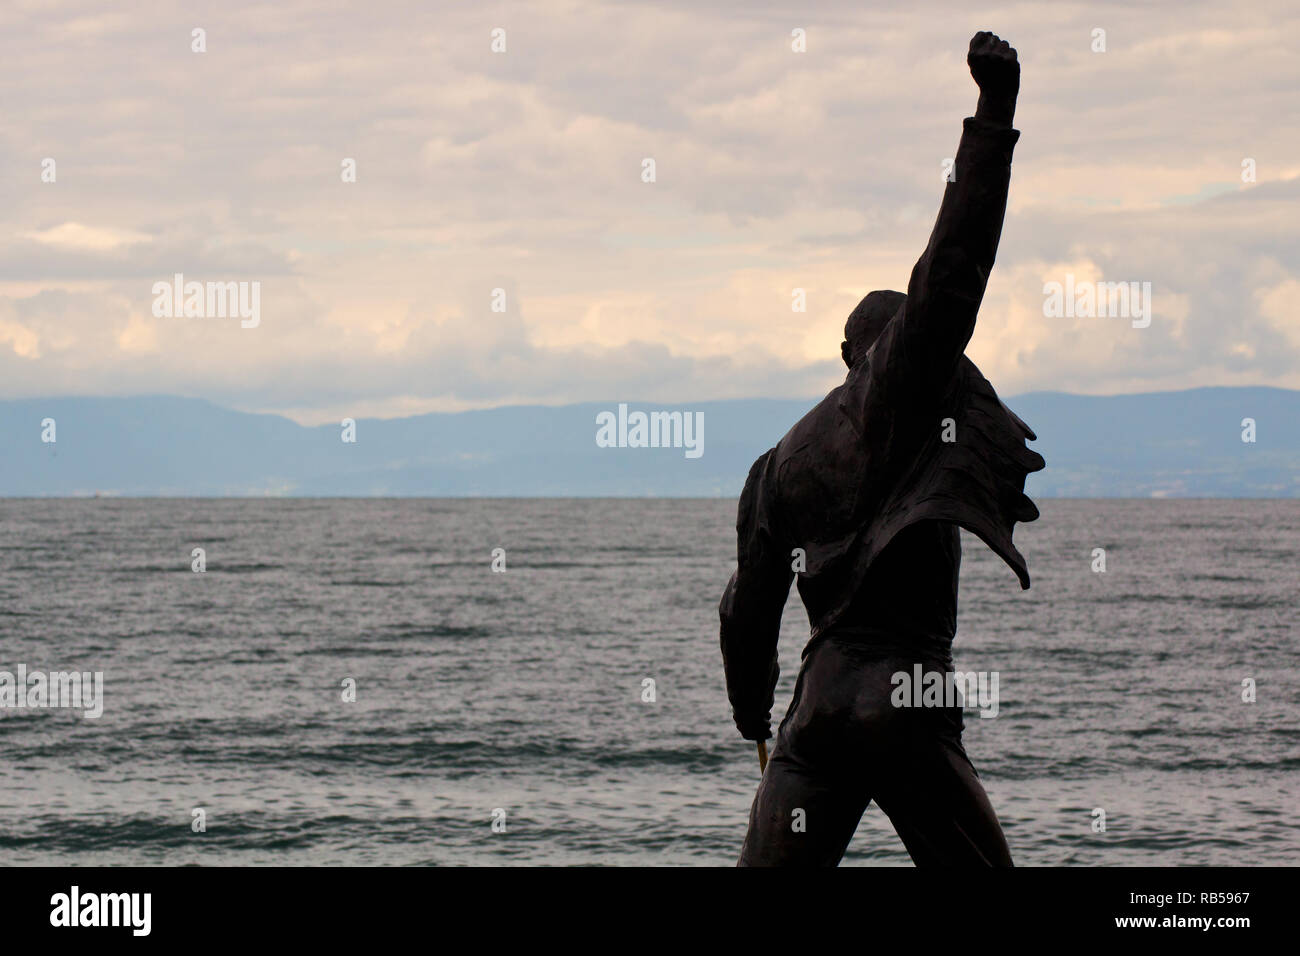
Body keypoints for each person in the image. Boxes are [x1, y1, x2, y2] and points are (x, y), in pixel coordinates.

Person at [718, 31, 1045, 866]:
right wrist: (993, 114)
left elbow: (746, 611)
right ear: (888, 351)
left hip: (818, 710)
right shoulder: (900, 392)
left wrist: (754, 715)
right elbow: (954, 268)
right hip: (907, 693)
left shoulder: (779, 463)